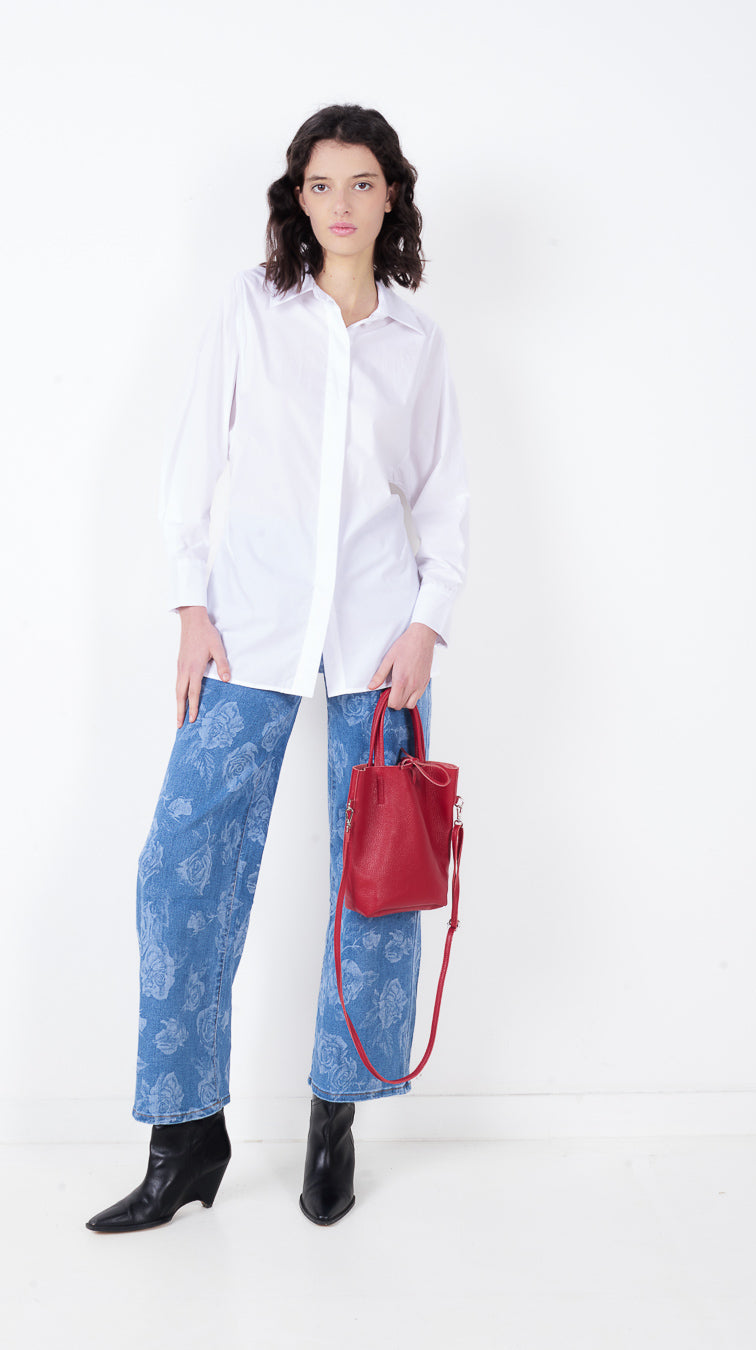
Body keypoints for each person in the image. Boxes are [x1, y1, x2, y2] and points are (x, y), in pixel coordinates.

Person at [86, 102, 469, 1234]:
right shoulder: (252, 309)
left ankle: (334, 1119)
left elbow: (444, 500)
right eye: (320, 184)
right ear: (297, 199)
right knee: (179, 868)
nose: (340, 203)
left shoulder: (418, 343)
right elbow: (193, 460)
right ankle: (185, 1140)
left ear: (390, 198)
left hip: (380, 646)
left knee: (376, 885)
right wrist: (189, 605)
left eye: (362, 183)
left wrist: (427, 624)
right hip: (247, 631)